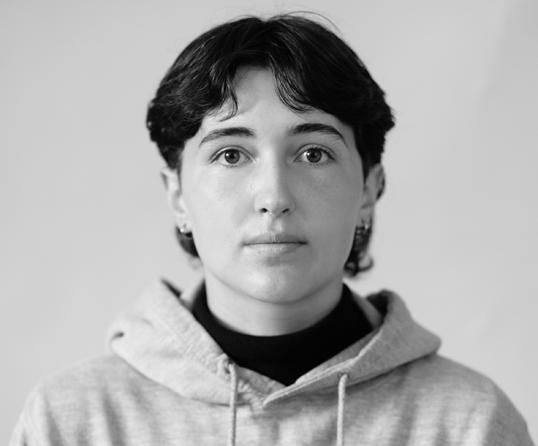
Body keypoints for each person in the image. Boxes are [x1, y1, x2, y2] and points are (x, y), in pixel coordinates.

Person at [10, 13, 534, 446]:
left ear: (369, 189)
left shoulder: (470, 423)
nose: (274, 196)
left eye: (313, 153)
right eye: (230, 154)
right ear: (178, 196)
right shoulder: (75, 421)